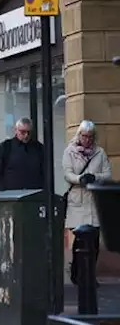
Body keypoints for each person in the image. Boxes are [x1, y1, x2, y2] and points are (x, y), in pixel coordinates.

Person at [63, 120, 112, 285]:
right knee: (80, 239)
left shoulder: (100, 153)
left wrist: (95, 178)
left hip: (94, 200)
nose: (87, 140)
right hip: (77, 199)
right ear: (79, 135)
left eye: (90, 137)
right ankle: (77, 273)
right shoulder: (70, 151)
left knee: (94, 241)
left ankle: (90, 274)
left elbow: (107, 174)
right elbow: (67, 173)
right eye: (84, 136)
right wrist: (80, 179)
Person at [0, 117, 46, 192]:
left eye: (29, 132)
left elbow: (45, 172)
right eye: (23, 132)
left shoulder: (38, 148)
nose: (26, 136)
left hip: (34, 195)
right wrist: (2, 193)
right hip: (11, 196)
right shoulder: (6, 147)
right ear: (16, 130)